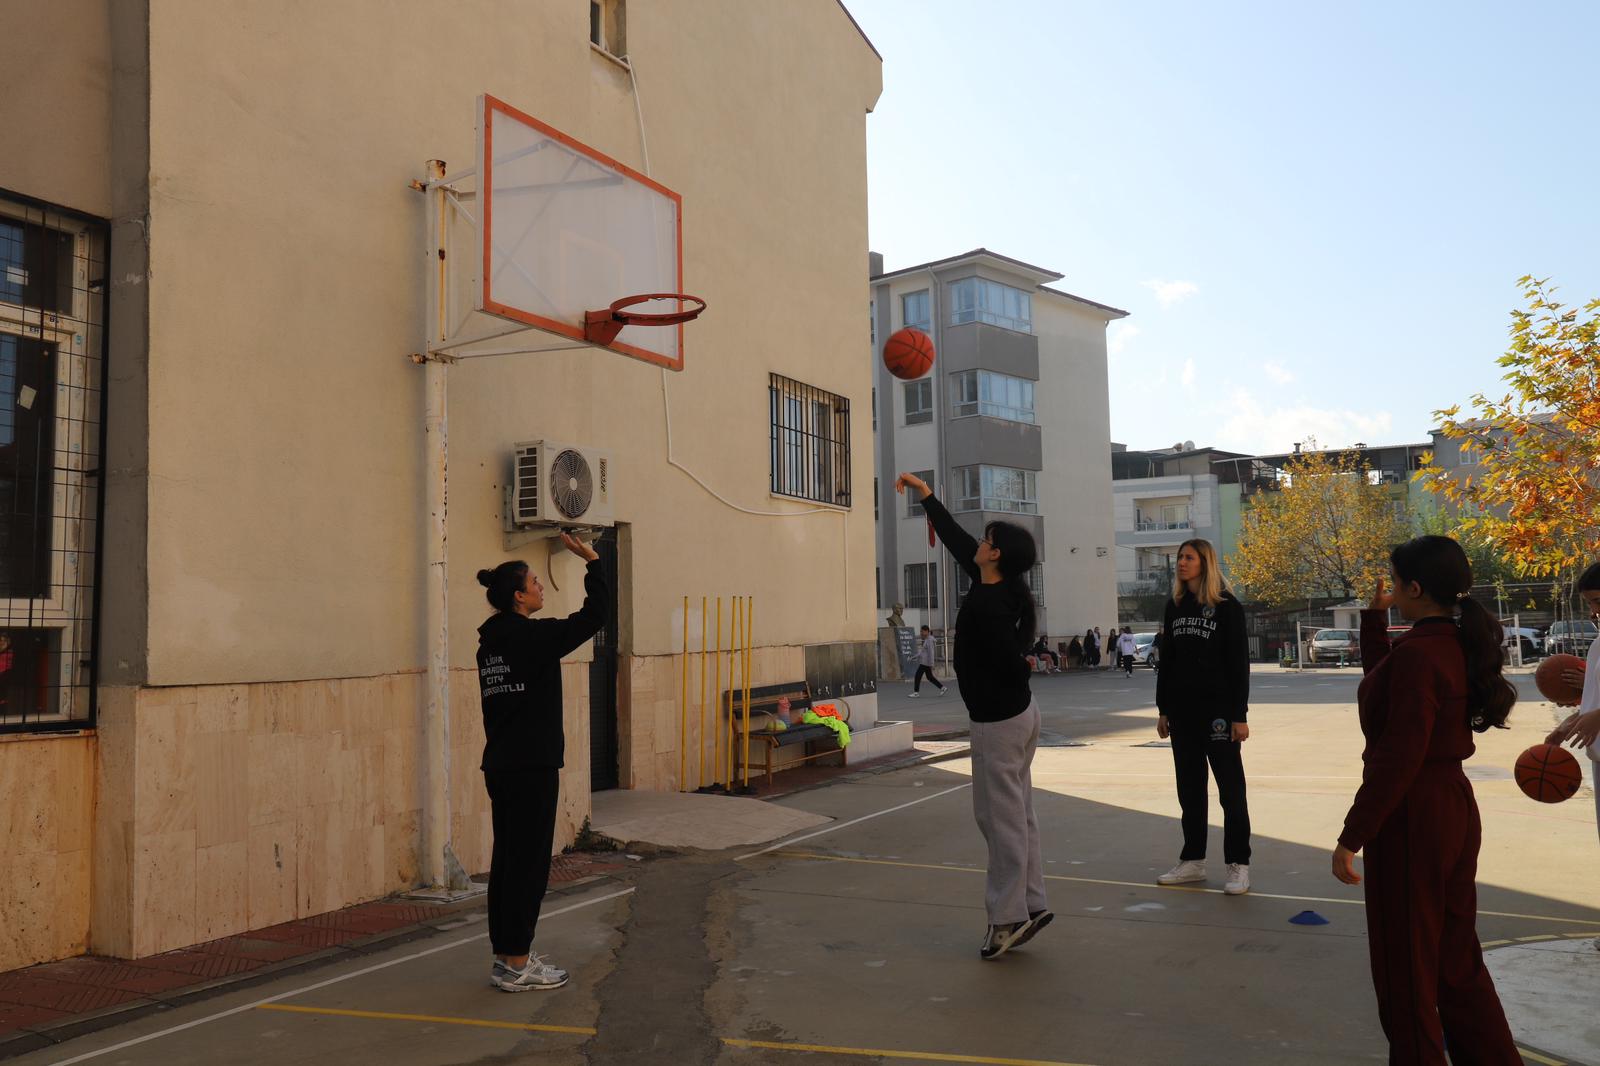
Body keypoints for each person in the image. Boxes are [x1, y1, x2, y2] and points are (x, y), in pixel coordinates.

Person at [1331, 536, 1521, 1062]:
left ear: (1414, 588)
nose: (1392, 592)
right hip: (1452, 805)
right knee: (1456, 963)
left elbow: (1398, 756)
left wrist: (1354, 835)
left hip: (1413, 812)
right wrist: (1375, 622)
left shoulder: (1420, 655)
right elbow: (1385, 684)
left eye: (1395, 584)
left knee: (1406, 971)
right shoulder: (1451, 643)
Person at [896, 471, 1050, 960]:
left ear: (996, 554)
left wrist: (1018, 667)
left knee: (997, 820)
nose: (979, 543)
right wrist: (927, 497)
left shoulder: (989, 603)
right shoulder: (993, 585)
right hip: (1019, 718)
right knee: (1018, 815)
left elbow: (1009, 659)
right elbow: (957, 539)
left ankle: (1007, 920)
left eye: (987, 540)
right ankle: (1030, 902)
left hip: (999, 724)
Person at [475, 532, 607, 993]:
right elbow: (595, 616)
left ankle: (505, 957)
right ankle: (517, 961)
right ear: (518, 595)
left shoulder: (488, 645)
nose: (541, 587)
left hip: (501, 766)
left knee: (508, 863)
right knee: (528, 866)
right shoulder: (530, 639)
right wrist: (592, 562)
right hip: (531, 767)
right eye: (534, 581)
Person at [1154, 539, 1253, 896]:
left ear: (1205, 563)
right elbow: (1168, 662)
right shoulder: (1175, 606)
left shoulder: (1227, 607)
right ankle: (1193, 860)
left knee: (1231, 792)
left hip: (1219, 715)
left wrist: (1239, 715)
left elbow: (1238, 664)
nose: (1181, 563)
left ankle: (1238, 865)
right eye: (1180, 557)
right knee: (1190, 790)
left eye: (1189, 558)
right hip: (1182, 714)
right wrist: (1163, 708)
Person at [1544, 560, 1600, 947]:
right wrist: (1571, 722)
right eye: (1589, 604)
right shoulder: (1598, 645)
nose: (1594, 612)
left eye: (1598, 601)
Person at [910, 624, 947, 697]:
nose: (921, 633)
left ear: (927, 631)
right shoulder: (927, 640)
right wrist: (913, 657)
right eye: (920, 631)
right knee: (930, 677)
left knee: (917, 676)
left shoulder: (929, 640)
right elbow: (922, 652)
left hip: (926, 663)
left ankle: (916, 692)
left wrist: (931, 664)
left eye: (922, 631)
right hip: (925, 662)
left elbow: (931, 653)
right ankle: (942, 688)